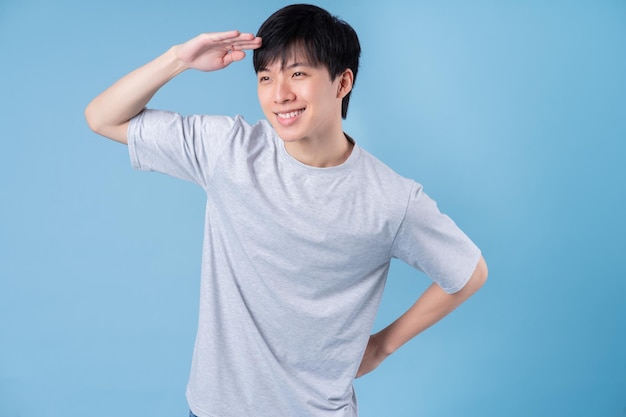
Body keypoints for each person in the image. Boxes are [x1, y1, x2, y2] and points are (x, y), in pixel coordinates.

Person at [85, 4, 487, 417]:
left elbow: (468, 272)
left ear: (342, 82)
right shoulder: (229, 150)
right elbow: (101, 117)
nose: (280, 95)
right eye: (265, 77)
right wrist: (177, 60)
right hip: (213, 410)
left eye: (297, 73)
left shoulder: (391, 199)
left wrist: (381, 347)